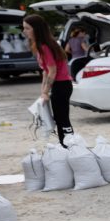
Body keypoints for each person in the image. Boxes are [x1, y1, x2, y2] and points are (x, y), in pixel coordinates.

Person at [23, 14, 75, 146]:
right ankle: (66, 145)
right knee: (59, 118)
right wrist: (43, 92)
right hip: (59, 85)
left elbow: (52, 71)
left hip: (62, 85)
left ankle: (70, 146)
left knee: (62, 119)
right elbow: (45, 71)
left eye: (27, 28)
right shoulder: (41, 45)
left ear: (37, 29)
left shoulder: (45, 46)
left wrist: (45, 92)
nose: (24, 31)